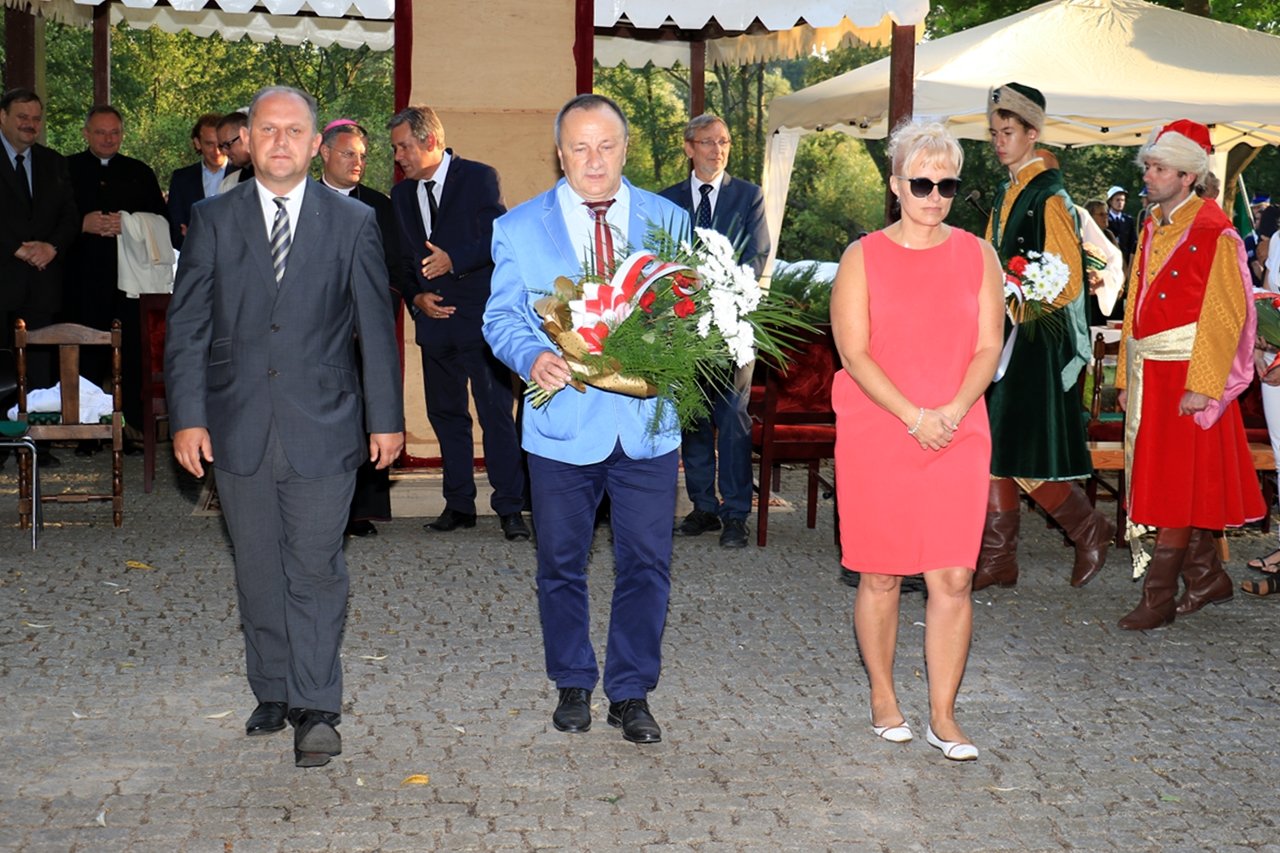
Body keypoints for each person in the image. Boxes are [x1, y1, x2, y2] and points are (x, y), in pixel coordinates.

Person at [165, 86, 404, 767]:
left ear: (314, 143)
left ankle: (317, 707)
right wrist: (187, 418)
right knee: (258, 566)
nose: (279, 141)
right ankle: (271, 687)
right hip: (235, 422)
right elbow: (187, 327)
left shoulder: (353, 222)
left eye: (293, 130)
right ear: (247, 138)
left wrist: (386, 418)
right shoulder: (212, 218)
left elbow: (375, 328)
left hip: (325, 423)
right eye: (267, 129)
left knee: (316, 567)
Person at [483, 93, 689, 744]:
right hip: (562, 428)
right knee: (561, 563)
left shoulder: (669, 220)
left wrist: (677, 342)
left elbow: (692, 311)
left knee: (647, 564)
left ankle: (631, 692)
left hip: (648, 426)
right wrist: (532, 356)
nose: (594, 161)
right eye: (580, 147)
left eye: (606, 146)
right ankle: (572, 680)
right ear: (560, 153)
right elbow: (501, 315)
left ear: (625, 149)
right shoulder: (520, 227)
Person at [831, 120, 1002, 761]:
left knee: (953, 576)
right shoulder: (862, 257)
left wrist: (951, 412)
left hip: (959, 427)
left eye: (947, 184)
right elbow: (854, 353)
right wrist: (913, 416)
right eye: (922, 183)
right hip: (881, 429)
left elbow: (989, 346)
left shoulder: (979, 255)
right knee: (880, 575)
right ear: (896, 184)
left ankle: (944, 716)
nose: (934, 196)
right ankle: (884, 697)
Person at [1115, 119, 1265, 628]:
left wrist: (1203, 386)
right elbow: (1134, 304)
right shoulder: (1151, 224)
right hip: (1151, 375)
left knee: (1176, 484)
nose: (1148, 176)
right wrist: (1124, 379)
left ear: (1187, 177)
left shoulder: (1214, 231)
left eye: (1159, 169)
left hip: (1186, 378)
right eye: (1148, 167)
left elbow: (1226, 314)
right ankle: (1206, 577)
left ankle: (1158, 596)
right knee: (1176, 480)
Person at [976, 82, 1114, 591]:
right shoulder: (1007, 191)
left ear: (1033, 133)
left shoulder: (1050, 197)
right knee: (994, 445)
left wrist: (1016, 303)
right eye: (994, 133)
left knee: (1013, 446)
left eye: (1008, 132)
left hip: (1034, 342)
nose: (998, 142)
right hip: (1006, 337)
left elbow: (1068, 280)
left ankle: (1088, 529)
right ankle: (1000, 559)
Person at [388, 105, 528, 541]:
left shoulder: (478, 177)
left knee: (495, 414)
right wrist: (416, 298)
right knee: (446, 415)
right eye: (396, 150)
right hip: (434, 325)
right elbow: (402, 260)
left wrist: (456, 260)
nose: (399, 157)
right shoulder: (401, 195)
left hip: (480, 322)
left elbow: (498, 238)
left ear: (429, 140)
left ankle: (510, 507)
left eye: (403, 147)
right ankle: (459, 504)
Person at [659, 113, 769, 548]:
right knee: (693, 417)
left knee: (733, 418)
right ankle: (703, 505)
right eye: (707, 142)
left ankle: (736, 512)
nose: (717, 150)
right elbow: (659, 259)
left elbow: (756, 256)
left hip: (732, 328)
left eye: (723, 142)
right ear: (689, 148)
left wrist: (717, 294)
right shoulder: (666, 201)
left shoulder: (748, 196)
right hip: (683, 326)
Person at [317, 118, 404, 537]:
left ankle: (361, 511)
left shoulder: (377, 206)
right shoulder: (303, 202)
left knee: (369, 415)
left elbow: (393, 270)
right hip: (316, 337)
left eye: (363, 156)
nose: (358, 162)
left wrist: (365, 320)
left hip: (364, 335)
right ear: (324, 153)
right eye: (349, 153)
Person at [66, 104, 169, 446]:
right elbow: (49, 219)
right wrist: (82, 224)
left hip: (130, 283)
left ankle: (133, 428)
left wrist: (129, 224)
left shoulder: (139, 172)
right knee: (84, 354)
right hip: (80, 280)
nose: (109, 139)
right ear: (86, 134)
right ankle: (84, 433)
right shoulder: (65, 169)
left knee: (131, 353)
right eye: (100, 132)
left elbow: (163, 223)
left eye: (115, 133)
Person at [0, 87, 79, 464]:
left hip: (43, 283)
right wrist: (15, 248)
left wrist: (52, 247)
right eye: (22, 117)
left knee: (40, 367)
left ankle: (37, 445)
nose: (30, 124)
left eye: (36, 118)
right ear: (3, 117)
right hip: (3, 277)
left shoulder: (54, 162)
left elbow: (70, 216)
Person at [166, 113, 227, 250]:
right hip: (195, 258)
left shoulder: (245, 176)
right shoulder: (181, 179)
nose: (216, 151)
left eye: (220, 144)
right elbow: (174, 229)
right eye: (209, 144)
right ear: (198, 143)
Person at [215, 111, 252, 192]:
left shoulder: (275, 174)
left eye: (227, 144)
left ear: (245, 136)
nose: (224, 152)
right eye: (221, 147)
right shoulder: (228, 184)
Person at [1106, 186, 1138, 264]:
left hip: (1125, 261)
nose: (1120, 203)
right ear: (1110, 201)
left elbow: (1133, 242)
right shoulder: (1104, 218)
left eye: (1122, 200)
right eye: (1117, 200)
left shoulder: (1128, 220)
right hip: (1108, 259)